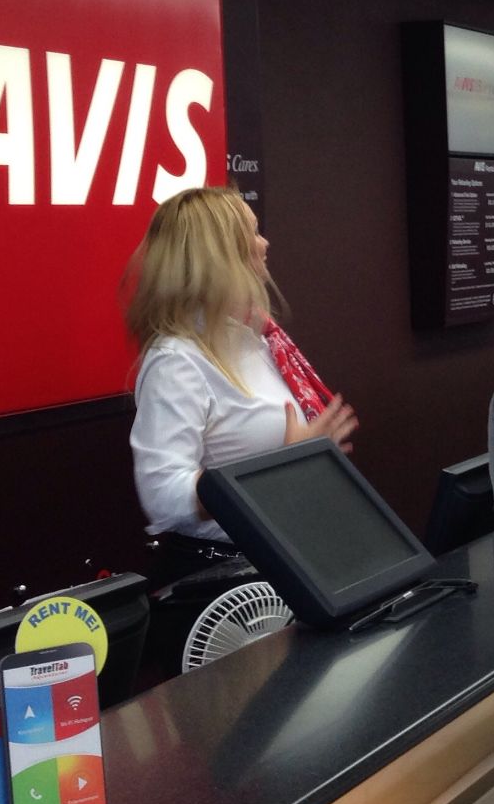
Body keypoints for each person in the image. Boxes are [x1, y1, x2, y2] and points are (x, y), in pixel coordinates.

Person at [126, 187, 358, 574]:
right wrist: (281, 466)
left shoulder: (259, 343)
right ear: (219, 253)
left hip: (287, 556)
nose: (265, 244)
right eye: (252, 232)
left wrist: (297, 463)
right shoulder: (177, 361)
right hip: (228, 577)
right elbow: (163, 497)